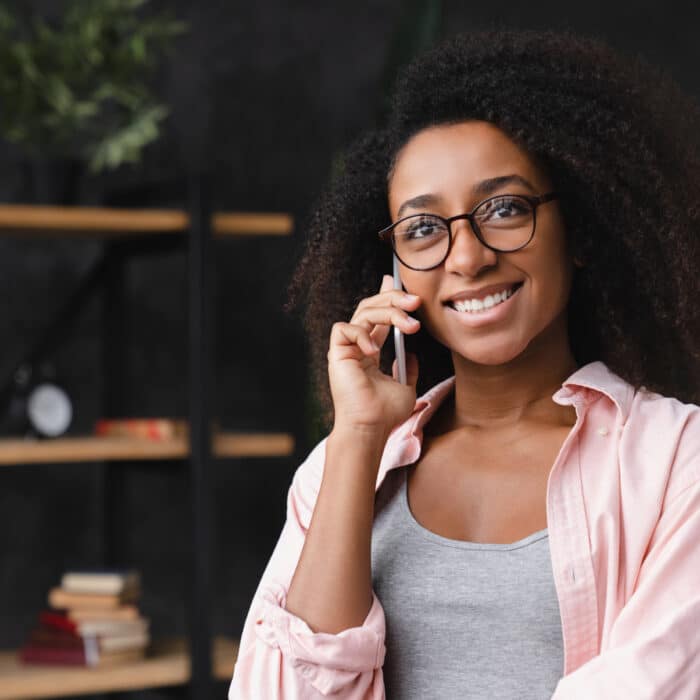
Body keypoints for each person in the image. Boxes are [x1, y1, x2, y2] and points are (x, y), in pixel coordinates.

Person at [229, 30, 700, 699]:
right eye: (423, 228)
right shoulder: (341, 472)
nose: (467, 256)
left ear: (583, 232)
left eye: (504, 208)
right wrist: (359, 439)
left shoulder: (675, 461)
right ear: (392, 272)